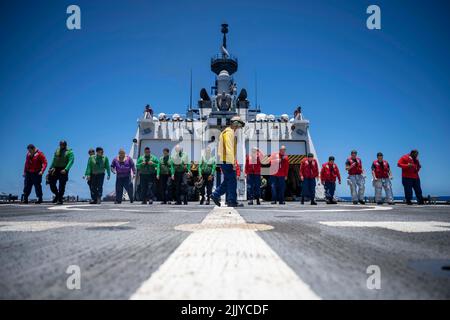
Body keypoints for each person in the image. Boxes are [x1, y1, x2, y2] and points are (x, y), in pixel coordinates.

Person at [211, 116, 245, 207]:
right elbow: (229, 148)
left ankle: (216, 195)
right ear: (235, 123)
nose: (238, 127)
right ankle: (231, 201)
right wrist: (233, 162)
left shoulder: (228, 132)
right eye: (238, 125)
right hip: (227, 161)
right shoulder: (229, 132)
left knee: (228, 181)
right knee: (232, 181)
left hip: (225, 160)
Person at [48, 140, 74, 205]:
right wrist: (50, 168)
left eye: (62, 144)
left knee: (62, 185)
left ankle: (60, 199)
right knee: (51, 182)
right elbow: (54, 159)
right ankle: (57, 194)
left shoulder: (69, 152)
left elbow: (71, 161)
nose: (61, 145)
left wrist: (66, 169)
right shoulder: (57, 150)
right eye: (60, 144)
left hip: (63, 169)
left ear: (65, 145)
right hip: (55, 168)